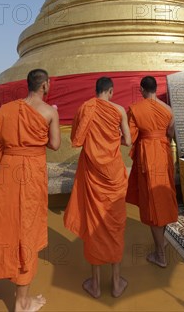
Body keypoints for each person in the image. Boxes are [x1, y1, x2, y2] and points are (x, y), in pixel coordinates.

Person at [0, 69, 60, 312]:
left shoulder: (6, 110)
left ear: (28, 84)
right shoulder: (49, 112)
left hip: (8, 173)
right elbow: (54, 144)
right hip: (31, 173)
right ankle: (21, 302)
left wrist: (9, 161)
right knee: (26, 230)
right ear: (45, 86)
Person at [63, 77, 131, 299]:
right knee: (113, 224)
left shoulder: (86, 107)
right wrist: (113, 140)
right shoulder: (119, 110)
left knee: (94, 224)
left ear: (96, 91)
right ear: (110, 91)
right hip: (113, 174)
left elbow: (77, 138)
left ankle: (95, 283)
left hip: (92, 173)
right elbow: (128, 141)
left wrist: (98, 140)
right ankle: (116, 281)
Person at [126, 76, 178, 268]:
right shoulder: (168, 110)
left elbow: (130, 138)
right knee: (162, 198)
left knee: (153, 204)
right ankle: (160, 243)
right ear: (156, 89)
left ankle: (160, 254)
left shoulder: (135, 109)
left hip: (148, 156)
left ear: (141, 89)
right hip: (163, 155)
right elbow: (171, 134)